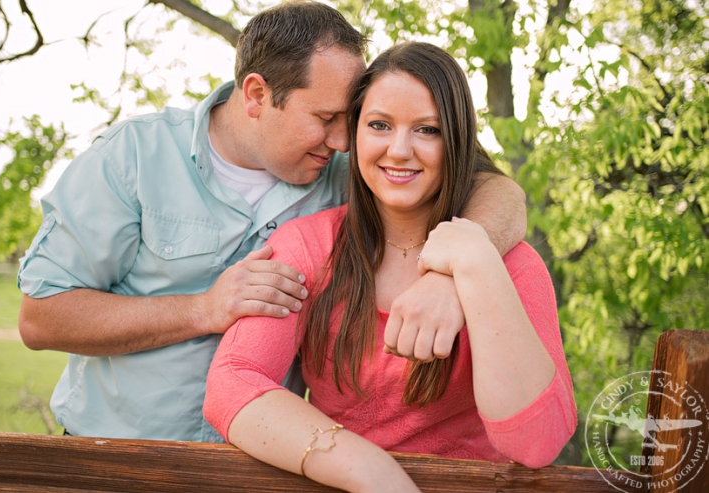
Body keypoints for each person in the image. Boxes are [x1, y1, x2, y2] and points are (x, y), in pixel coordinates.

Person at [16, 2, 526, 443]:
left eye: (349, 119)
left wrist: (447, 274)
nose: (344, 140)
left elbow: (500, 191)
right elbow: (41, 317)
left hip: (260, 467)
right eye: (325, 119)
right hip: (114, 458)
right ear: (257, 95)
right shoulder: (133, 157)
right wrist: (203, 309)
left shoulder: (349, 171)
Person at [203, 41, 576, 492]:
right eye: (379, 125)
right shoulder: (308, 245)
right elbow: (233, 382)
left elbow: (537, 444)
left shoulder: (511, 264)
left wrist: (470, 264)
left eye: (427, 130)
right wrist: (374, 473)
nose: (399, 150)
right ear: (354, 134)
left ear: (456, 139)